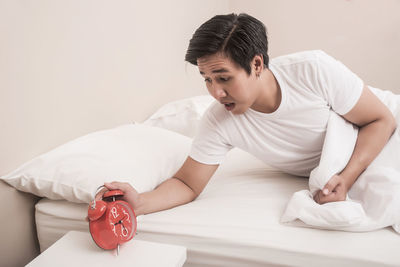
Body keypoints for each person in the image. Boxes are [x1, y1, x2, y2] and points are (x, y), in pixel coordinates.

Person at [97, 13, 396, 215]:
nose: (215, 92)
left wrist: (345, 177)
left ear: (256, 65)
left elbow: (380, 119)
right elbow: (188, 184)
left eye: (223, 78)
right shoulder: (220, 120)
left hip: (384, 129)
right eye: (206, 79)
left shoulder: (312, 71)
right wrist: (138, 203)